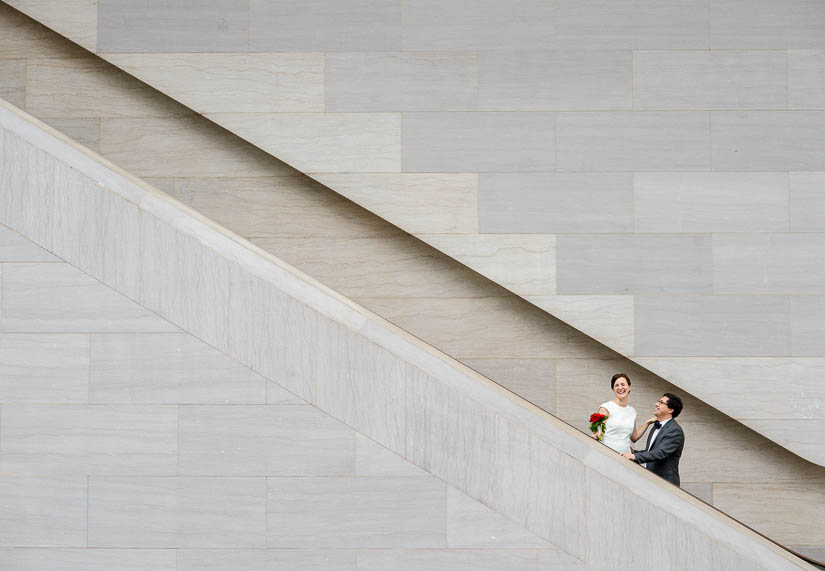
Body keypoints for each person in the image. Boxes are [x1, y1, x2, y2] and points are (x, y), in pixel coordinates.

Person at [622, 393, 685, 486]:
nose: (656, 404)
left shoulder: (675, 430)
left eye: (661, 402)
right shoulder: (656, 426)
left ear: (670, 410)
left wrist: (635, 457)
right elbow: (651, 451)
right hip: (652, 480)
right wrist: (635, 452)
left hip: (666, 483)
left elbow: (660, 453)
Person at [592, 373, 655, 454]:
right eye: (616, 385)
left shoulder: (632, 411)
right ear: (613, 389)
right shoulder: (605, 408)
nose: (620, 388)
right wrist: (597, 435)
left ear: (629, 387)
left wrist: (648, 422)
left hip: (626, 457)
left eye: (623, 384)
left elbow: (634, 437)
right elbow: (598, 432)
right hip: (609, 454)